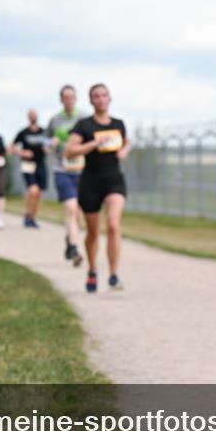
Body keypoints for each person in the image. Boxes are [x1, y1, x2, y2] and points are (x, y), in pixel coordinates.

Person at [64, 83, 130, 292]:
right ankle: (93, 270)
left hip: (114, 180)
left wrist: (124, 151)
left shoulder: (118, 123)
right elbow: (69, 151)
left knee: (112, 225)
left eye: (104, 96)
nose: (101, 99)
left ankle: (113, 274)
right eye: (96, 96)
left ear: (110, 98)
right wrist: (92, 145)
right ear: (91, 100)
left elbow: (126, 142)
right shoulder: (84, 125)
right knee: (93, 233)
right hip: (91, 182)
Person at [48, 85, 87, 264]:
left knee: (78, 214)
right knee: (71, 208)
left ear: (76, 98)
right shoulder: (55, 120)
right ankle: (74, 249)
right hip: (62, 169)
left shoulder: (84, 118)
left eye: (72, 97)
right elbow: (46, 142)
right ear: (61, 99)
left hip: (81, 169)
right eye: (66, 97)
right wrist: (52, 143)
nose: (69, 100)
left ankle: (69, 240)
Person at [11, 109, 50, 228]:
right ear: (28, 117)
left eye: (35, 115)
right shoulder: (23, 132)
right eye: (31, 115)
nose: (33, 117)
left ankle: (33, 217)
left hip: (41, 164)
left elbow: (49, 147)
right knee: (32, 190)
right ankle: (28, 215)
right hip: (28, 164)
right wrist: (22, 152)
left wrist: (47, 149)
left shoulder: (44, 132)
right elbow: (12, 148)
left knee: (39, 193)